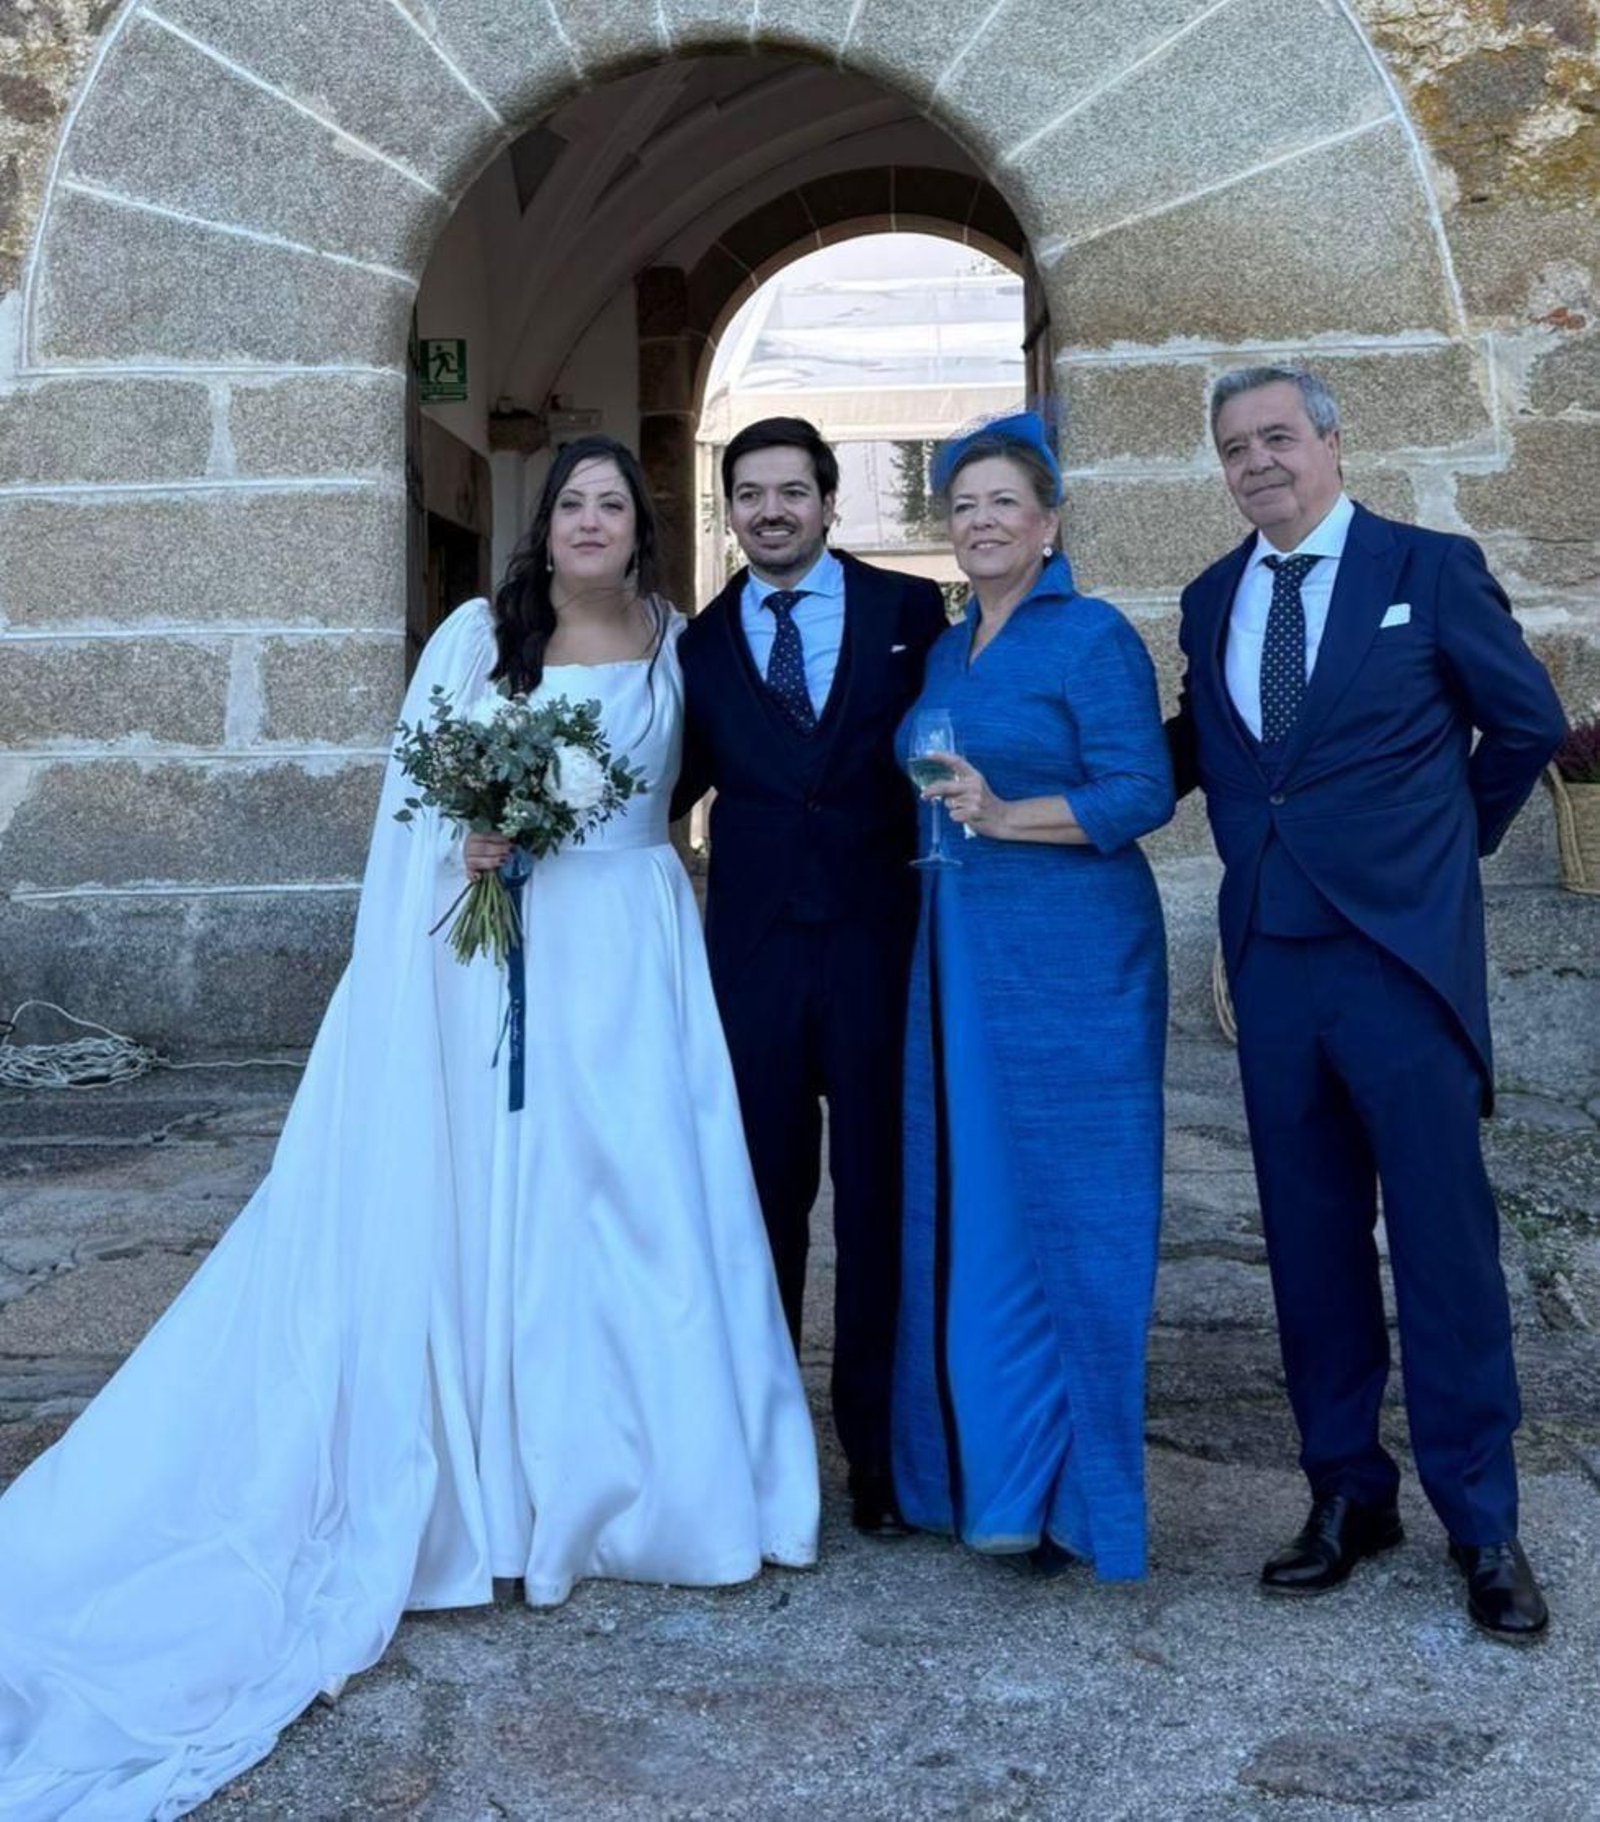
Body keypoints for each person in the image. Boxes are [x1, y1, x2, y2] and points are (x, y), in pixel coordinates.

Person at [0, 437, 819, 1819]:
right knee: (505, 1202)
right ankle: (494, 1489)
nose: (592, 522)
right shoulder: (474, 638)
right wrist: (473, 847)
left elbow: (681, 787)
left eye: (615, 504)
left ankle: (640, 1486)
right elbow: (415, 805)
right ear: (542, 521)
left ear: (644, 526)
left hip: (634, 950)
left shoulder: (683, 640)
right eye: (573, 502)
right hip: (501, 956)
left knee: (640, 1202)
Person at [1167, 366, 1566, 1640]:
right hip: (1274, 969)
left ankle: (1483, 1520)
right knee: (1308, 1243)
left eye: (1278, 437)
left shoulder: (1426, 567)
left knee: (1445, 1248)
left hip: (1400, 965)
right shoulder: (1212, 597)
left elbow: (1525, 726)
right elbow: (1208, 755)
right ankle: (1347, 1492)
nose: (1257, 462)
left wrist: (1439, 853)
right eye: (1234, 448)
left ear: (1333, 442)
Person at [887, 412, 1175, 1581]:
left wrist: (1008, 816)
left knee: (1073, 1210)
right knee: (978, 1210)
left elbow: (1141, 790)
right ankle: (991, 1480)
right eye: (961, 506)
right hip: (957, 944)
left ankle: (1075, 1493)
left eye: (1003, 502)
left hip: (1072, 961)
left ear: (1049, 522)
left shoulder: (1092, 636)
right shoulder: (951, 651)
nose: (980, 522)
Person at [673, 417, 948, 1536]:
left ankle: (878, 1455)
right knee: (762, 1205)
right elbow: (662, 787)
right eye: (751, 493)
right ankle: (767, 1441)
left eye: (793, 490)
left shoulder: (907, 614)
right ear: (729, 510)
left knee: (880, 1205)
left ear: (831, 504)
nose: (772, 510)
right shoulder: (697, 643)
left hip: (881, 947)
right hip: (753, 960)